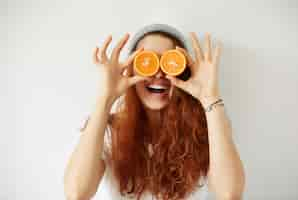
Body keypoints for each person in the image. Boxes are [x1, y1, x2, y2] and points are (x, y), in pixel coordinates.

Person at [63, 24, 245, 200]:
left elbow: (229, 194)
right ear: (131, 71)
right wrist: (105, 98)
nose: (158, 73)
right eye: (147, 62)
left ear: (183, 72)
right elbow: (76, 193)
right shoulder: (105, 130)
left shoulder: (208, 127)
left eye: (169, 63)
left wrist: (210, 97)